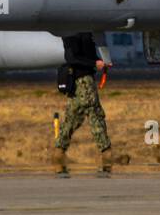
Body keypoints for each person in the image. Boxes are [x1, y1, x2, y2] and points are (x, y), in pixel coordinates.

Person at [53, 36, 128, 174]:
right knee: (95, 114)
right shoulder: (73, 31)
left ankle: (59, 152)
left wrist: (100, 62)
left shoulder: (84, 30)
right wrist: (94, 63)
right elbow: (72, 57)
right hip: (83, 82)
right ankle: (107, 153)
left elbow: (85, 54)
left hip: (81, 81)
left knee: (72, 119)